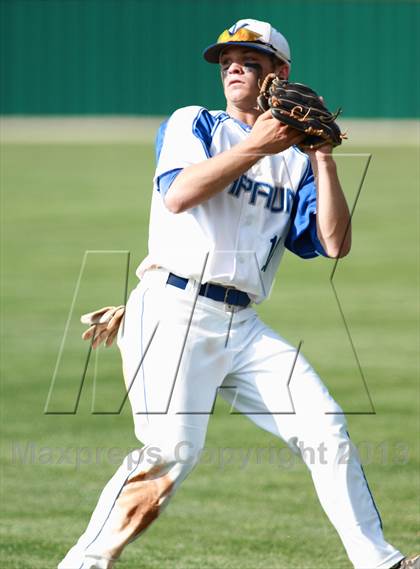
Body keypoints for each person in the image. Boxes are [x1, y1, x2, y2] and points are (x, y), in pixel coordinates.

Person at [58, 18, 417, 569]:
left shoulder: (296, 161)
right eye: (227, 59)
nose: (233, 66)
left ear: (281, 74)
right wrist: (259, 144)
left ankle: (381, 562)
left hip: (242, 324)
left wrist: (320, 154)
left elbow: (335, 244)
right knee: (169, 455)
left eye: (250, 58)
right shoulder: (194, 122)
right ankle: (82, 564)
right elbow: (179, 195)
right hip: (171, 311)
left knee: (325, 427)